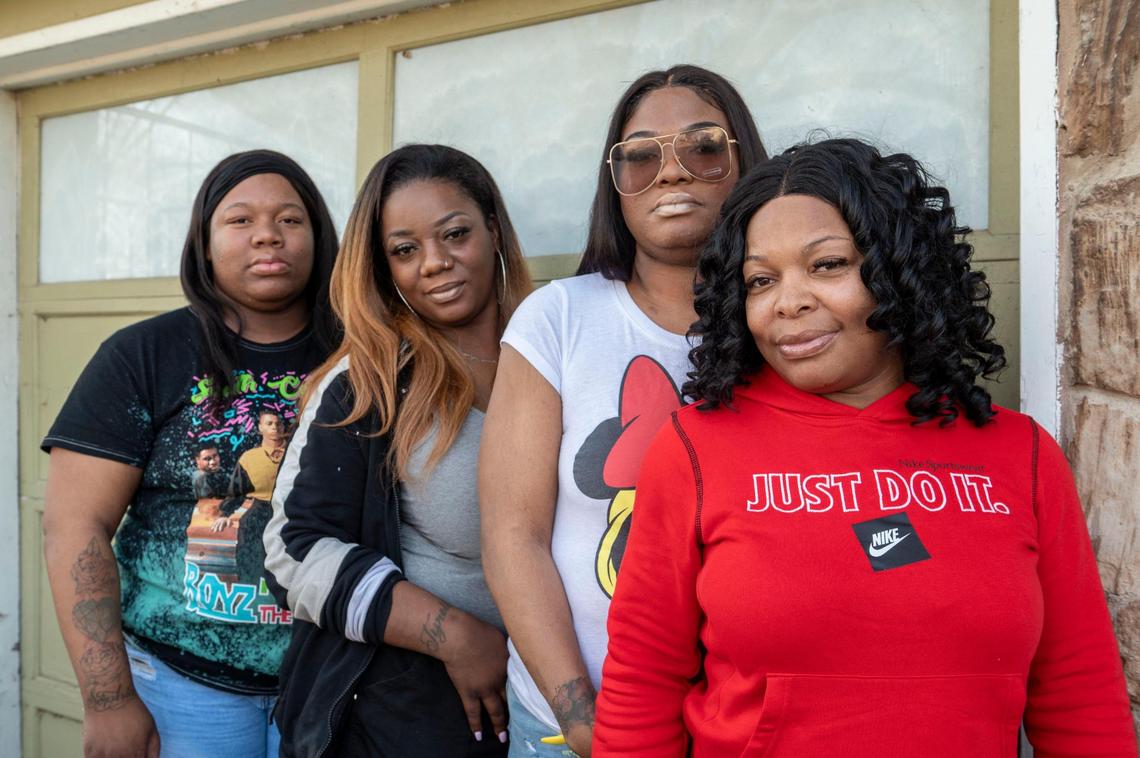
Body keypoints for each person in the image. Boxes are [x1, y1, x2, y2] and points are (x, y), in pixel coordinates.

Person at [591, 138, 1137, 757]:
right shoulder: (694, 448)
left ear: (901, 272)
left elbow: (1078, 692)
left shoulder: (1021, 454)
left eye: (827, 265)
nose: (787, 301)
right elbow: (642, 683)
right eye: (760, 279)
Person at [479, 64, 767, 757]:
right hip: (574, 727)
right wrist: (579, 715)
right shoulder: (558, 318)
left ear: (743, 163)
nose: (671, 173)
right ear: (616, 185)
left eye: (702, 147)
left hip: (747, 728)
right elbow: (512, 536)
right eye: (639, 156)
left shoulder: (786, 324)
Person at [41, 149, 340, 758]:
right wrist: (108, 700)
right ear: (204, 244)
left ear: (318, 237)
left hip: (332, 682)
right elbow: (75, 526)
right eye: (240, 220)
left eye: (290, 219)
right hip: (178, 686)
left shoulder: (362, 354)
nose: (267, 234)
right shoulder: (143, 356)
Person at [264, 144, 533, 756]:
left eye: (455, 233)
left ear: (493, 227)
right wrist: (456, 637)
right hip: (399, 713)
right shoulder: (369, 381)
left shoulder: (555, 353)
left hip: (551, 703)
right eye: (405, 250)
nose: (435, 263)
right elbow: (292, 549)